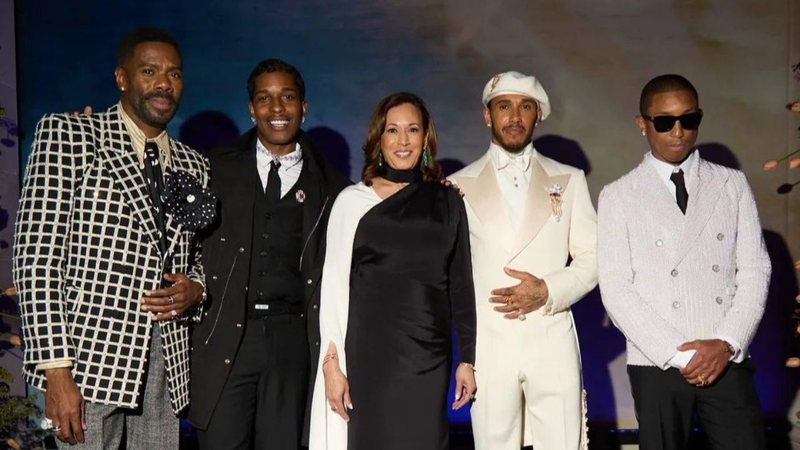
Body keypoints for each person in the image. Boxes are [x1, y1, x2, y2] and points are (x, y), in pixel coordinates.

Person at [14, 27, 210, 448]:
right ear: (122, 78)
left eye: (174, 74)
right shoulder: (70, 136)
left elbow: (196, 256)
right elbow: (36, 260)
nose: (164, 84)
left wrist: (195, 288)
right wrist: (56, 370)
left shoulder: (195, 164)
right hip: (86, 362)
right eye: (150, 71)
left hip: (166, 363)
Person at [597, 74, 771, 450]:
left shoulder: (732, 184)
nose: (678, 132)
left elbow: (756, 270)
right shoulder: (618, 195)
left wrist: (726, 343)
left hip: (725, 356)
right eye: (664, 122)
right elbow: (615, 289)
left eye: (688, 120)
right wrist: (679, 354)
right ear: (642, 123)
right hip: (656, 361)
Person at [187, 59, 350, 449]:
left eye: (287, 97)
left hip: (291, 343)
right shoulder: (214, 167)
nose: (277, 109)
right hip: (226, 333)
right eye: (265, 98)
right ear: (251, 108)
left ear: (303, 106)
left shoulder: (333, 187)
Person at [309, 92, 477, 450]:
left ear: (425, 139)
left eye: (412, 130)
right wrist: (331, 364)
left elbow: (462, 285)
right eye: (392, 130)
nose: (403, 141)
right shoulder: (353, 202)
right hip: (369, 359)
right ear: (378, 139)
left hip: (428, 359)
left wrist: (468, 360)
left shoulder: (447, 201)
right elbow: (333, 288)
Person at [449, 71, 596, 450]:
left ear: (538, 115)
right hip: (490, 346)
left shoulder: (570, 179)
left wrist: (548, 290)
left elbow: (593, 257)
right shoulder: (456, 185)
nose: (514, 117)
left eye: (525, 107)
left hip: (551, 338)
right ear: (487, 115)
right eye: (504, 106)